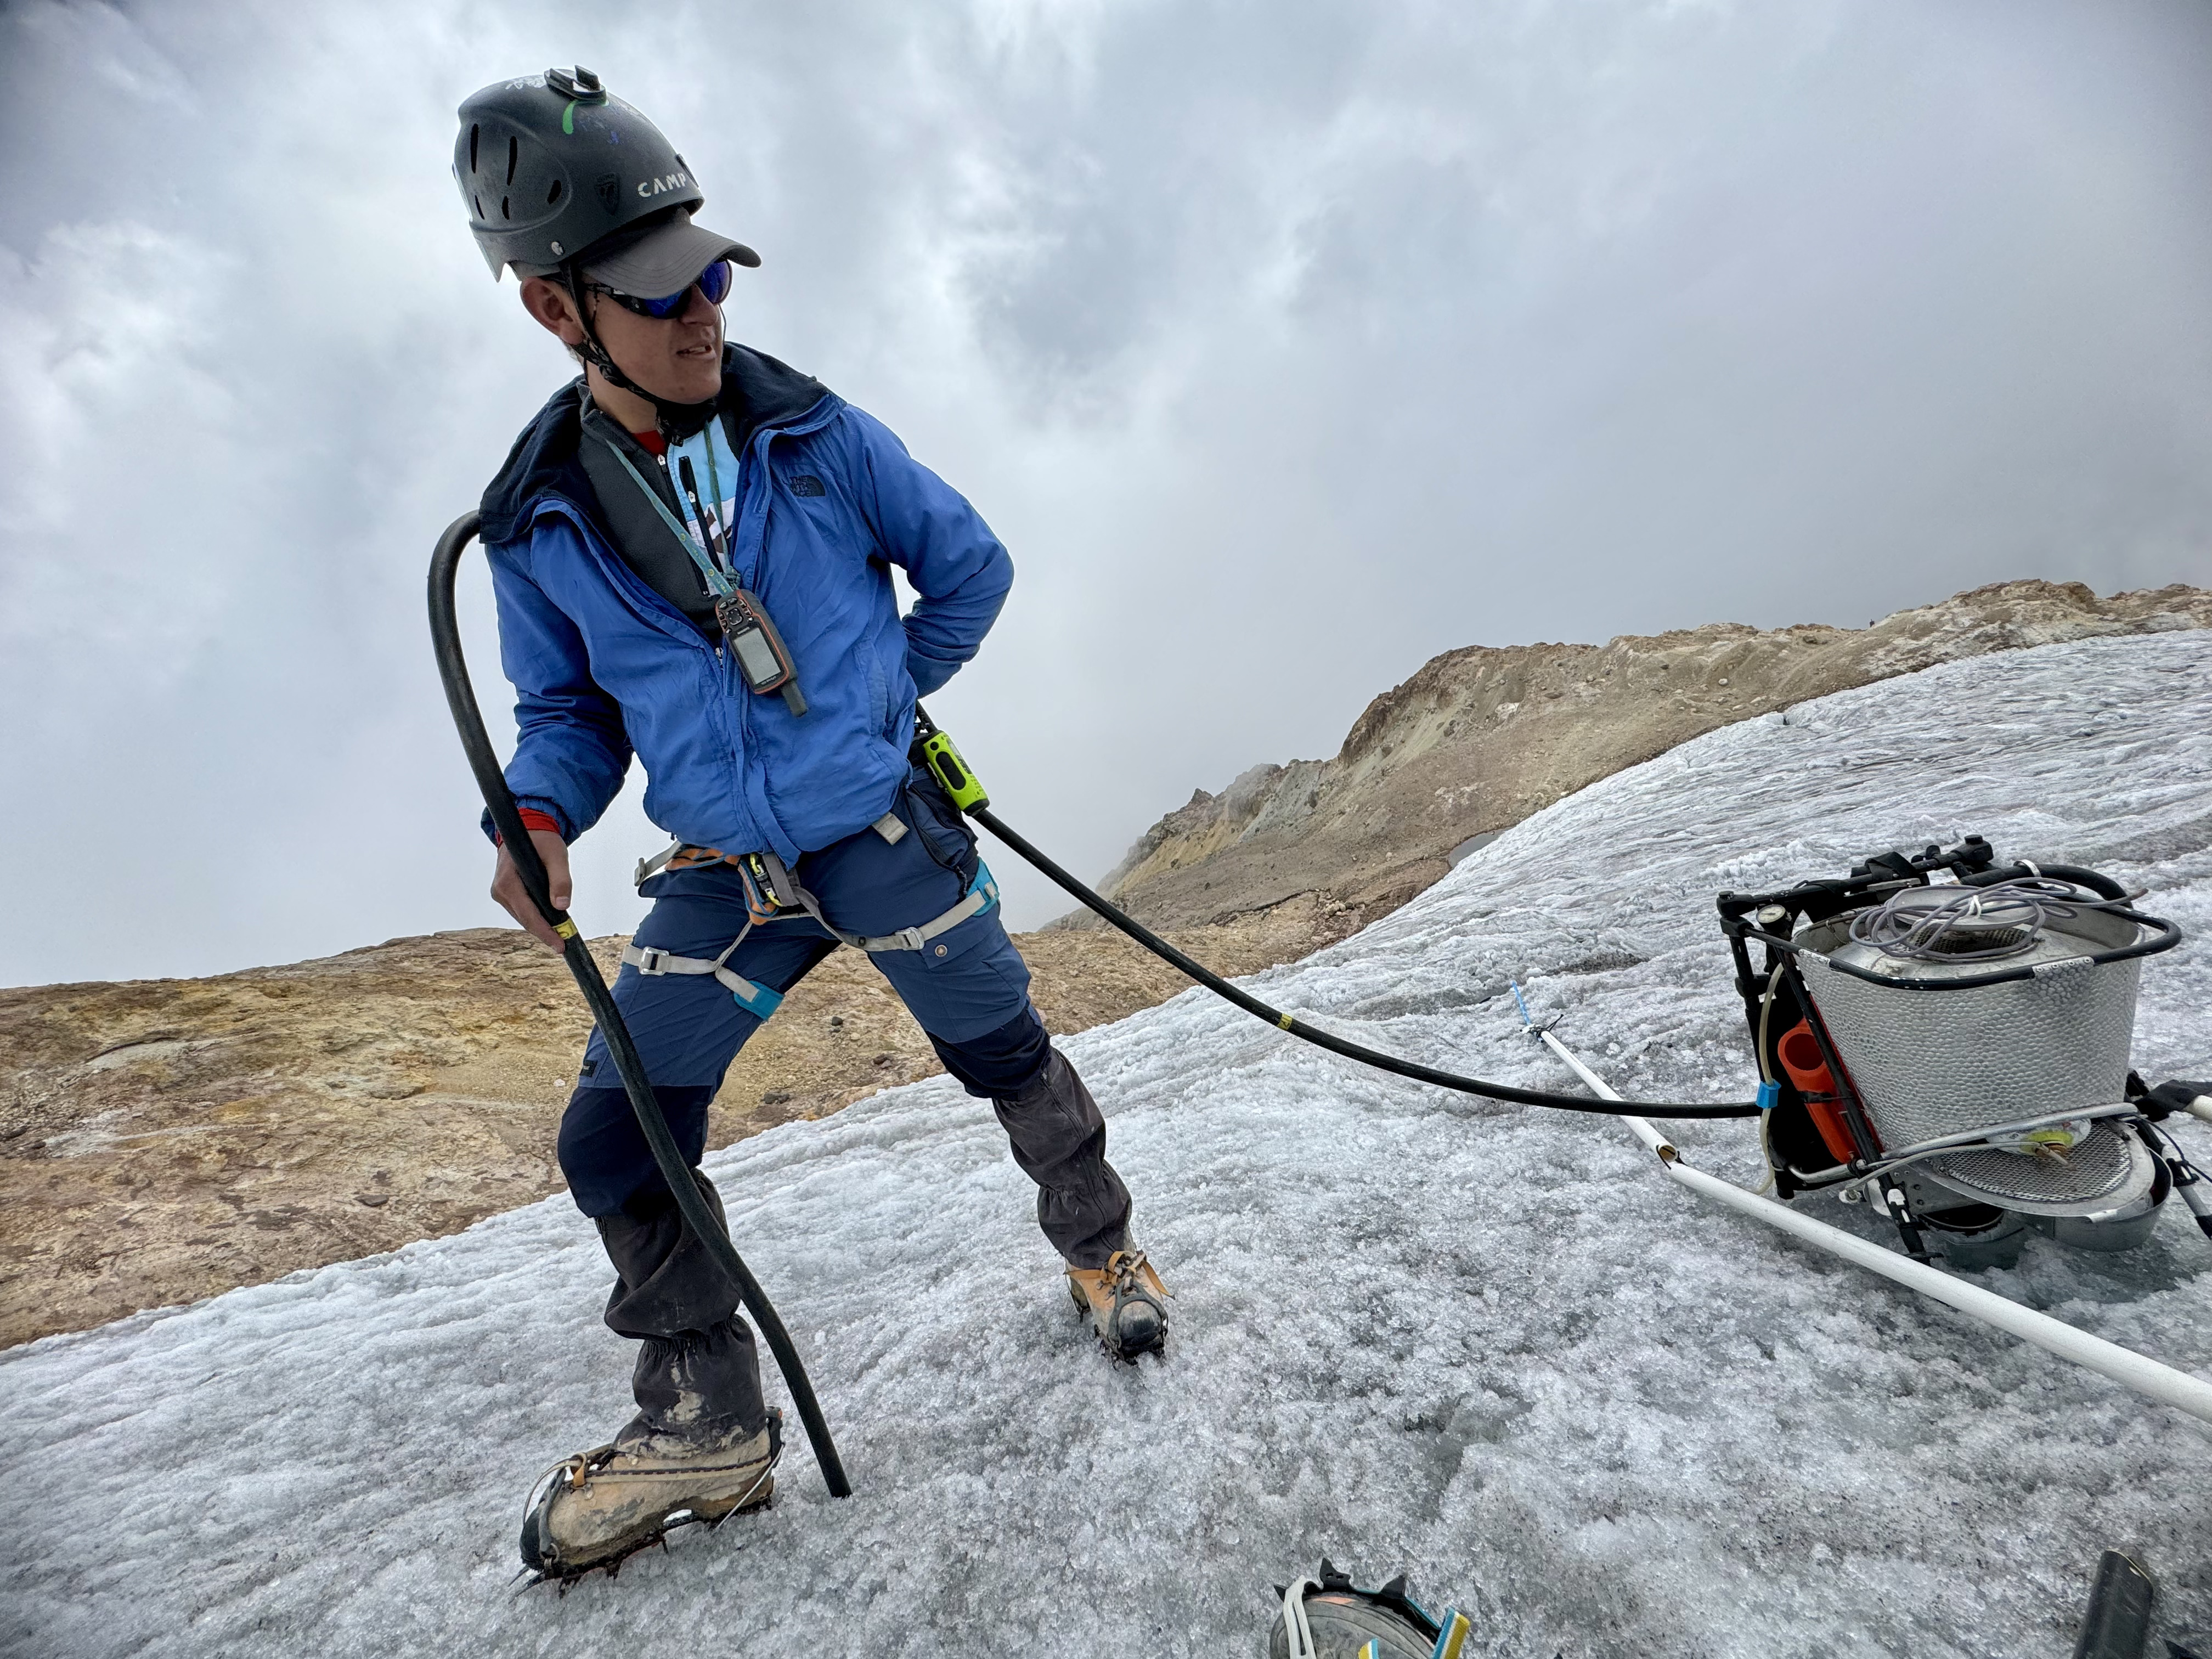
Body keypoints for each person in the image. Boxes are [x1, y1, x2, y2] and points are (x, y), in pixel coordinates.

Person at [452, 67, 1171, 1579]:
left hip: (882, 831)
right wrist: (538, 811)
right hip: (728, 875)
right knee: (618, 1131)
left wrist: (878, 708)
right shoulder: (536, 523)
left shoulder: (817, 434)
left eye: (708, 269)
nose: (703, 307)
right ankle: (713, 1416)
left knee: (1006, 1052)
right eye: (656, 293)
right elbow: (570, 719)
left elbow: (967, 567)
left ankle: (1100, 1248)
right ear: (553, 311)